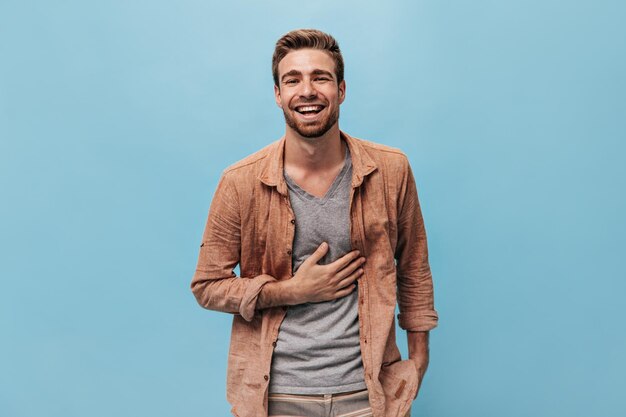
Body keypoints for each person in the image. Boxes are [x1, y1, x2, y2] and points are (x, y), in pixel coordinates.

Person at [191, 28, 438, 417]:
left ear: (341, 90)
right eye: (293, 79)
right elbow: (206, 286)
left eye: (320, 77)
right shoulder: (240, 182)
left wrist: (417, 361)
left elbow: (414, 267)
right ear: (278, 94)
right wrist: (289, 291)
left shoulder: (390, 170)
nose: (307, 91)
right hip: (277, 399)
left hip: (370, 396)